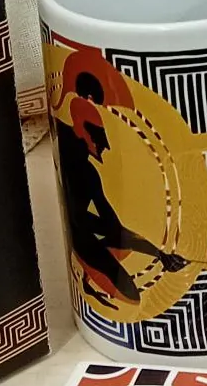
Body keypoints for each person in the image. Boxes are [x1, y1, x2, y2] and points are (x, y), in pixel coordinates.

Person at [53, 68, 184, 308]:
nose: (103, 149)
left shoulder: (90, 173)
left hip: (84, 225)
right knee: (129, 291)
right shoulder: (68, 139)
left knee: (121, 242)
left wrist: (158, 254)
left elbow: (113, 226)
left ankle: (92, 279)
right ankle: (89, 284)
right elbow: (112, 227)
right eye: (100, 141)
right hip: (80, 231)